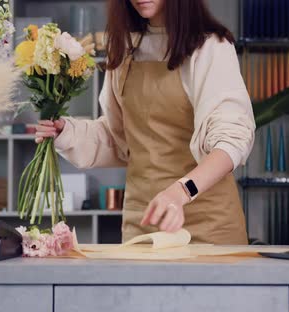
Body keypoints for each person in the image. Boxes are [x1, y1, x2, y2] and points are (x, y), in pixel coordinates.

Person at [35, 0, 255, 245]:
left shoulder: (210, 46)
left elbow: (232, 141)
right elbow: (121, 138)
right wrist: (67, 132)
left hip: (208, 224)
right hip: (143, 222)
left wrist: (181, 191)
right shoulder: (125, 47)